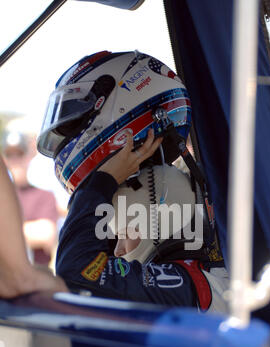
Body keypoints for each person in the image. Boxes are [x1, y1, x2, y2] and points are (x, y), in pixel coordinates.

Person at [36, 50, 229, 312]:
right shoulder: (192, 280)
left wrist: (102, 182)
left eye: (124, 233)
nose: (116, 252)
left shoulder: (191, 285)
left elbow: (75, 275)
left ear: (159, 217)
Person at [2, 119, 59, 266]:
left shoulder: (44, 196)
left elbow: (45, 234)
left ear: (28, 157)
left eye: (19, 154)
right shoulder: (3, 196)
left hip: (36, 276)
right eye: (10, 155)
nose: (15, 160)